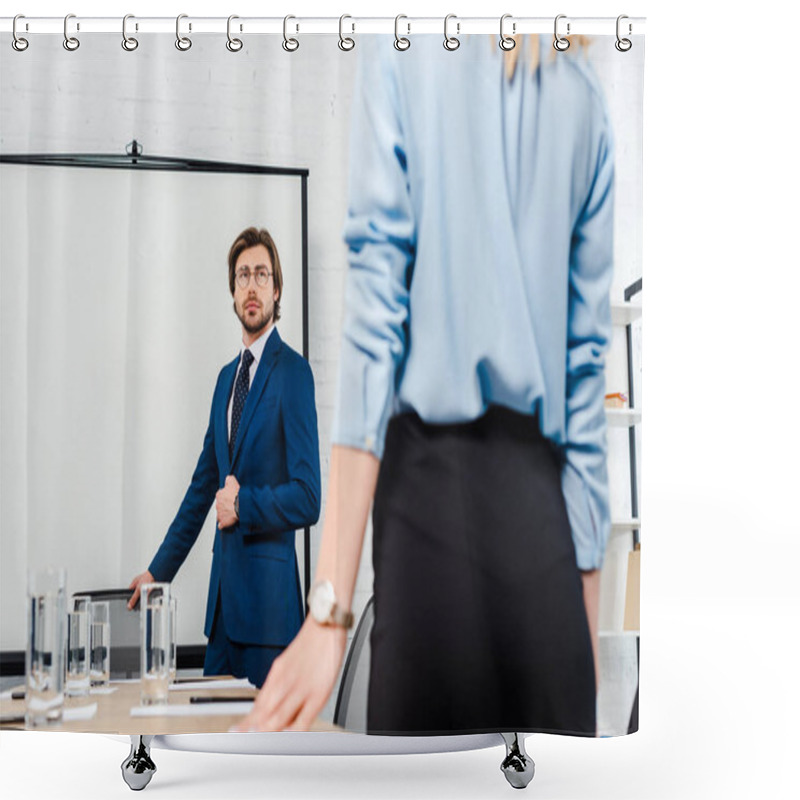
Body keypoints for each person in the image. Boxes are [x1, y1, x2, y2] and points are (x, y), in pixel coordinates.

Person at [237, 32, 614, 733]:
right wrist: (582, 647)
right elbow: (585, 387)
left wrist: (329, 613)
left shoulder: (404, 50)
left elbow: (374, 330)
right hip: (546, 537)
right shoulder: (584, 96)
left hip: (428, 515)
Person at [128, 226, 321, 688]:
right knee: (211, 748)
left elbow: (308, 498)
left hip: (272, 623)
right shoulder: (223, 382)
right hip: (221, 621)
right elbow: (202, 492)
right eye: (241, 276)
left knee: (265, 759)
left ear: (277, 290)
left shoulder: (293, 373)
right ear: (232, 292)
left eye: (261, 275)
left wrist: (244, 505)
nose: (251, 286)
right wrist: (158, 573)